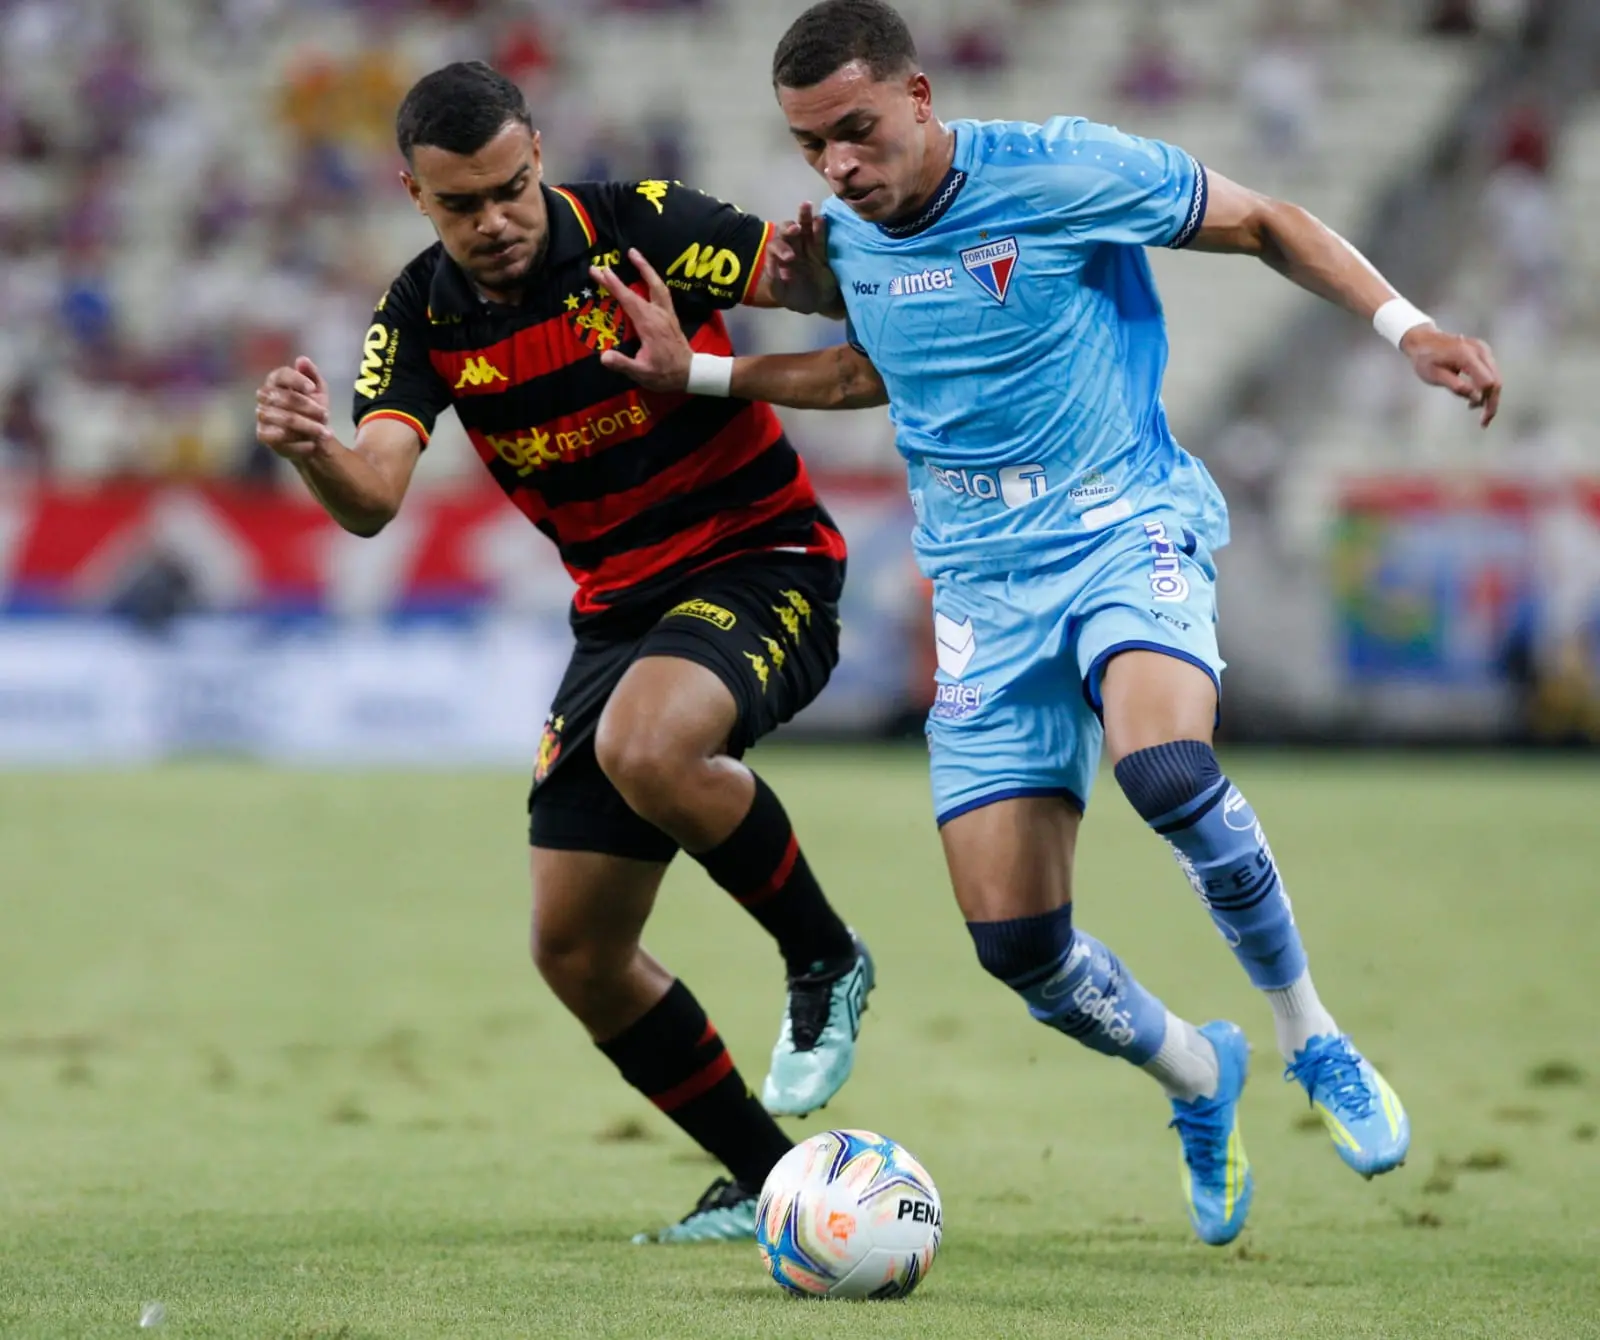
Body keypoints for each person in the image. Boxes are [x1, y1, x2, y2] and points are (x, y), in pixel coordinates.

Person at [593, 0, 1502, 1246]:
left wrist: (1411, 329)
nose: (839, 167)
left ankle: (1312, 1036)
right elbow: (876, 368)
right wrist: (699, 373)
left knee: (1166, 765)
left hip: (1122, 525)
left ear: (919, 96)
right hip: (977, 589)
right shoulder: (847, 235)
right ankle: (1200, 1071)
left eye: (856, 132)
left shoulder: (1065, 166)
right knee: (1018, 946)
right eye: (812, 148)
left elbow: (1270, 222)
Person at [251, 61, 877, 1245]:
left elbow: (817, 291)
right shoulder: (418, 318)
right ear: (413, 196)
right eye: (460, 204)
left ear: (538, 151)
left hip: (764, 558)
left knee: (650, 744)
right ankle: (768, 1179)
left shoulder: (646, 225)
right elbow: (375, 496)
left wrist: (810, 270)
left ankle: (826, 955)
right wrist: (310, 449)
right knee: (577, 947)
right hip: (620, 619)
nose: (492, 221)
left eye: (510, 188)